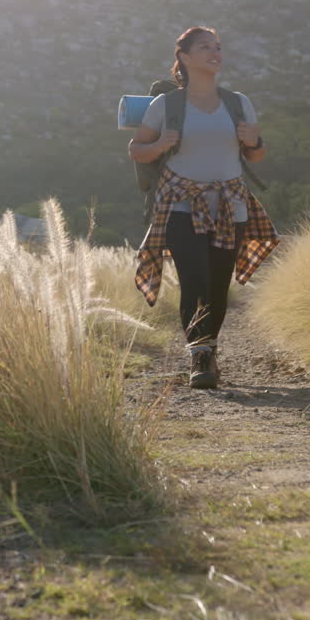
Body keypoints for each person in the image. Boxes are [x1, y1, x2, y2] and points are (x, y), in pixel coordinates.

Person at [130, 26, 279, 389]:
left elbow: (255, 154)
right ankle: (200, 355)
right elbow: (137, 149)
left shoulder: (238, 102)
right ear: (184, 57)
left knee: (217, 282)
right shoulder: (165, 105)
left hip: (231, 204)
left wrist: (255, 141)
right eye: (205, 47)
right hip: (181, 203)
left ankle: (208, 348)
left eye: (218, 47)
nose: (215, 53)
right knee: (194, 277)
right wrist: (161, 143)